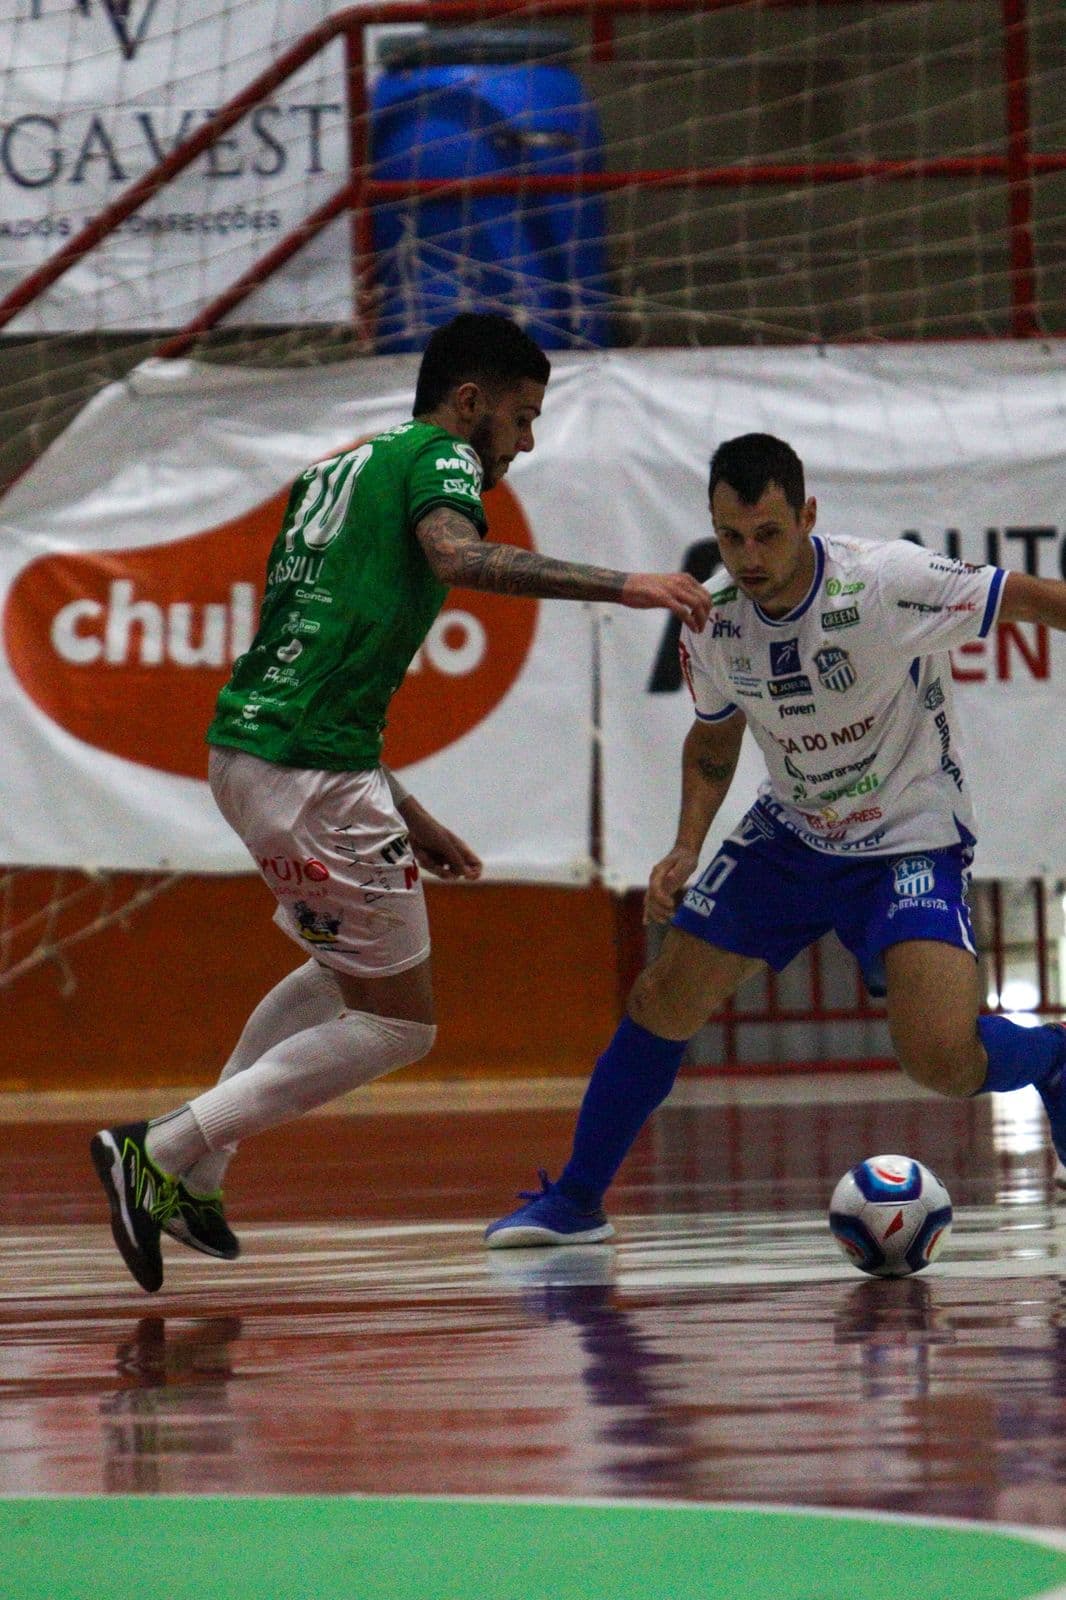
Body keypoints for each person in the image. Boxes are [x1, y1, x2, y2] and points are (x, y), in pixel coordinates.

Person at [90, 312, 711, 1294]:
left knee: (341, 972)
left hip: (253, 752)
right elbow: (459, 557)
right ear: (471, 404)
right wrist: (625, 584)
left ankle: (198, 1169)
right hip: (311, 775)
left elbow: (319, 660)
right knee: (400, 1024)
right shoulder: (442, 458)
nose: (526, 441)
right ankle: (163, 1150)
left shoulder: (333, 473)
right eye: (520, 416)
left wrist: (405, 811)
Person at [486, 431, 1066, 1248]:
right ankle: (576, 1202)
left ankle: (1052, 1061)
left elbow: (1038, 601)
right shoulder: (713, 623)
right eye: (730, 537)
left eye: (768, 534)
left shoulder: (883, 582)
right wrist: (686, 848)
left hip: (909, 833)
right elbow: (716, 743)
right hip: (791, 834)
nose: (749, 557)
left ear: (807, 517)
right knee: (661, 1000)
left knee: (940, 1057)